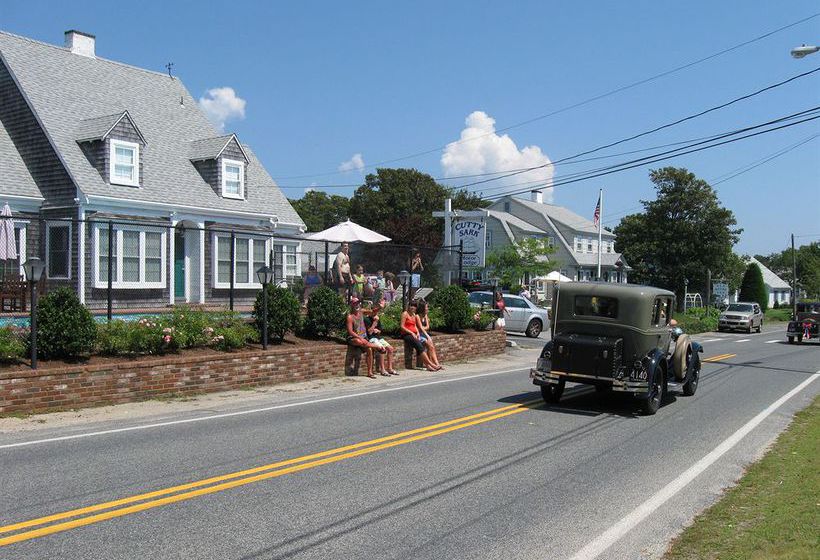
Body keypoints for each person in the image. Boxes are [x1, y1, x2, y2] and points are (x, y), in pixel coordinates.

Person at [346, 298, 384, 378]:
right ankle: (378, 347)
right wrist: (360, 337)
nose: (357, 305)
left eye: (358, 303)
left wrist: (380, 307)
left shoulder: (361, 311)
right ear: (351, 305)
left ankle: (369, 372)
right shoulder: (350, 317)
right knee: (360, 341)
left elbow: (373, 312)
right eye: (355, 303)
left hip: (363, 338)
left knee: (369, 349)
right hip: (353, 338)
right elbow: (350, 332)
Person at [400, 300, 440, 371]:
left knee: (420, 347)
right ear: (408, 306)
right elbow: (402, 326)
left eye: (414, 306)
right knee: (419, 346)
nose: (413, 307)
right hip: (407, 335)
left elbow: (415, 326)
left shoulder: (414, 315)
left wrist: (417, 333)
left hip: (414, 334)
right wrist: (411, 333)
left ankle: (428, 366)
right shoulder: (405, 314)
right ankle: (431, 364)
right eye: (411, 305)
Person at [365, 299, 398, 376]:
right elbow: (369, 332)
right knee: (382, 349)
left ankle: (390, 368)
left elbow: (380, 330)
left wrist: (378, 331)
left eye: (377, 312)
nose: (376, 313)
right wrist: (374, 323)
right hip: (371, 338)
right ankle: (382, 370)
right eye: (374, 311)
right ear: (371, 311)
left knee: (390, 348)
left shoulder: (377, 318)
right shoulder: (366, 319)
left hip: (378, 338)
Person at [416, 300, 443, 369]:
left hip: (424, 334)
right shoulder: (417, 316)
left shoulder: (425, 316)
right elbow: (420, 328)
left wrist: (423, 329)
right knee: (429, 345)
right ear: (422, 308)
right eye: (426, 307)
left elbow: (427, 327)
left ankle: (437, 363)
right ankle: (430, 364)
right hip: (419, 335)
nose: (427, 308)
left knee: (431, 347)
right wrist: (427, 336)